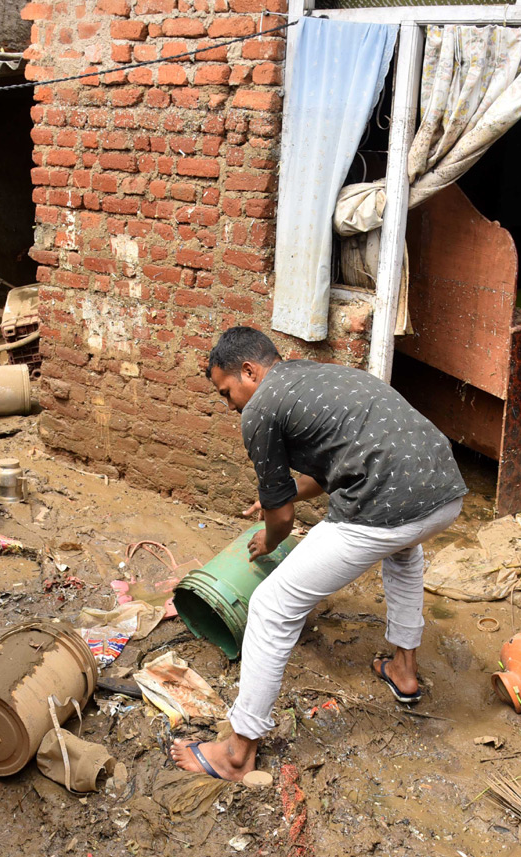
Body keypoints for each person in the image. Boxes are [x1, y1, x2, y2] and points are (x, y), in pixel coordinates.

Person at [171, 326, 467, 782]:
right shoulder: (316, 378)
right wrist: (278, 498)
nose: (230, 405)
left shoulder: (261, 409)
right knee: (404, 552)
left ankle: (237, 752)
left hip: (386, 499)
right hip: (443, 492)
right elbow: (334, 468)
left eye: (227, 391)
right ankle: (404, 671)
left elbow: (283, 519)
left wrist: (270, 534)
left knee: (272, 606)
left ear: (248, 371)